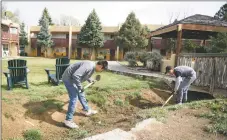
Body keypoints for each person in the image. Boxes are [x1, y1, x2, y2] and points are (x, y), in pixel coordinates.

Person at [62, 60, 108, 129]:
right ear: (100, 66)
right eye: (102, 70)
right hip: (68, 78)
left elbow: (86, 75)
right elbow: (76, 75)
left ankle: (86, 110)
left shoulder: (92, 68)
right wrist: (80, 87)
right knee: (74, 98)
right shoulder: (89, 66)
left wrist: (91, 80)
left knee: (81, 93)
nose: (101, 71)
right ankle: (68, 120)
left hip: (73, 78)